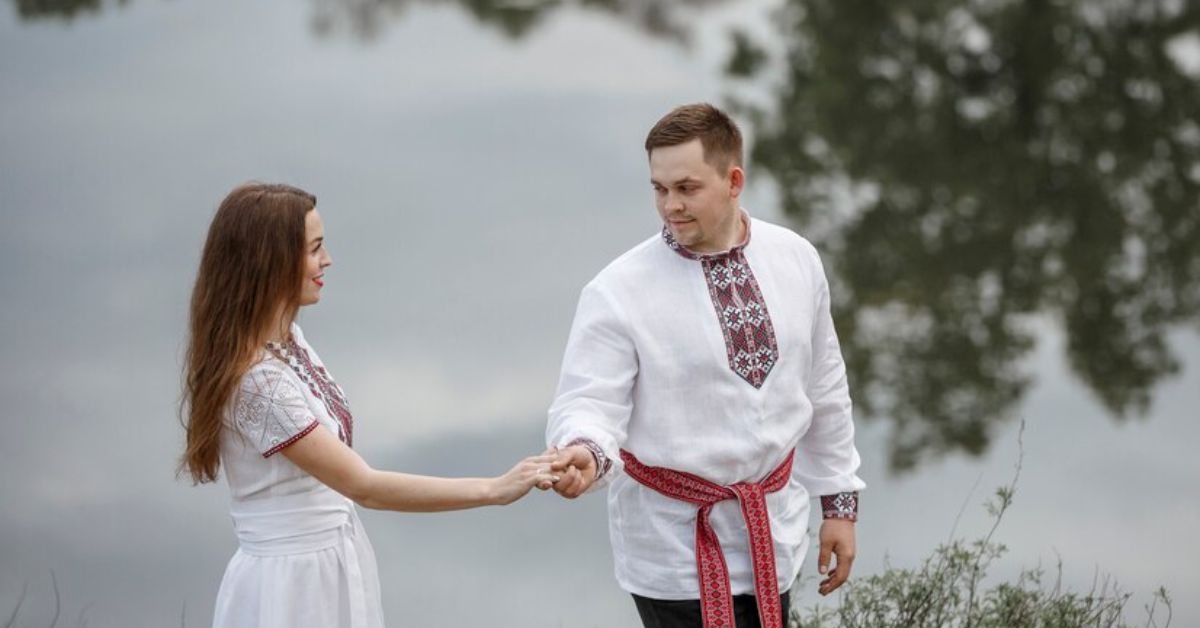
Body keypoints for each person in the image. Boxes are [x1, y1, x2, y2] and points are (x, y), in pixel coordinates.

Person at [180, 183, 559, 628]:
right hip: (291, 586)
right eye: (315, 249)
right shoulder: (259, 384)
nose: (328, 260)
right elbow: (364, 486)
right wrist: (493, 490)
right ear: (271, 262)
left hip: (326, 563)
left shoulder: (287, 339)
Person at [545, 104, 866, 628]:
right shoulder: (617, 291)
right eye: (659, 189)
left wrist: (839, 505)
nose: (670, 205)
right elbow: (588, 401)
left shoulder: (796, 259)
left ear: (734, 180)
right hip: (671, 548)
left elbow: (824, 386)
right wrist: (585, 450)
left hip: (774, 533)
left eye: (687, 188)